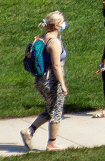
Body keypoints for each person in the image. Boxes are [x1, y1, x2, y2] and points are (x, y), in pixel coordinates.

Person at [20, 11, 68, 151]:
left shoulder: (42, 37)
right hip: (51, 82)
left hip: (40, 80)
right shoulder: (54, 43)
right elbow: (56, 66)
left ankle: (29, 131)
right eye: (62, 22)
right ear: (57, 25)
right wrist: (63, 85)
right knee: (56, 112)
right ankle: (51, 144)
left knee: (50, 109)